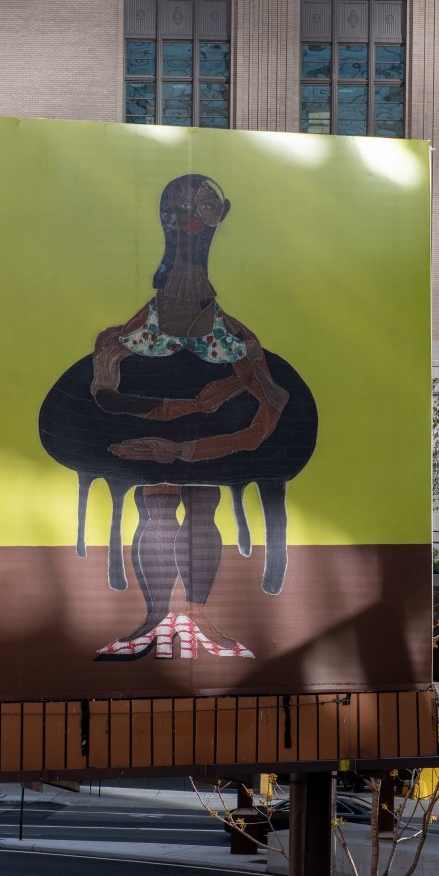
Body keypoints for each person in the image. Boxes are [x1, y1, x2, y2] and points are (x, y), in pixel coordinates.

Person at [88, 174, 290, 661]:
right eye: (180, 211)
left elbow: (267, 418)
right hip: (153, 436)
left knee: (198, 505)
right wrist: (157, 420)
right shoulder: (120, 343)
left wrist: (181, 447)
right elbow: (103, 397)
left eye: (199, 210)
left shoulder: (239, 346)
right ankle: (157, 618)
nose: (190, 219)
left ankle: (194, 614)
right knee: (158, 504)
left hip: (199, 444)